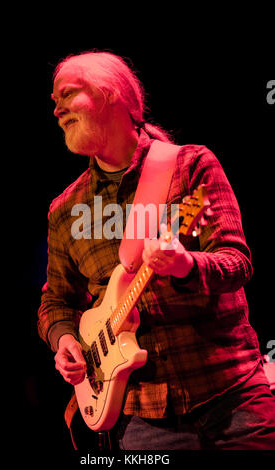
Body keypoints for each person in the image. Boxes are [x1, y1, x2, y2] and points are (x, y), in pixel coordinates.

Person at [38, 51, 275, 450]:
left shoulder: (190, 166)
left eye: (67, 93)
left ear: (110, 94)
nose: (55, 107)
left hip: (231, 396)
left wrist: (186, 265)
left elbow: (237, 262)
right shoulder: (65, 209)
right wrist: (63, 339)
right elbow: (56, 302)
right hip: (141, 418)